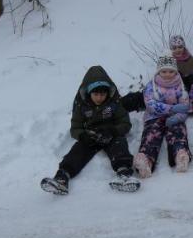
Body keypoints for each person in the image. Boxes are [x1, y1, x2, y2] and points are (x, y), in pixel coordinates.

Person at [40, 65, 140, 195]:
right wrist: (82, 136)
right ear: (89, 92)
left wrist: (113, 131)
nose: (99, 97)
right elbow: (75, 128)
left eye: (102, 94)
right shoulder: (82, 106)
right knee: (77, 151)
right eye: (96, 94)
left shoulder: (114, 104)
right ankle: (62, 178)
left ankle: (124, 174)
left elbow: (125, 123)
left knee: (119, 145)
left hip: (110, 134)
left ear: (108, 93)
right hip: (90, 137)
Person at [132, 54, 193, 178]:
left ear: (175, 71)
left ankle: (180, 154)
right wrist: (171, 108)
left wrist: (179, 116)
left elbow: (185, 104)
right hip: (154, 116)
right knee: (151, 134)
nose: (167, 74)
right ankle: (145, 159)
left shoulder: (180, 85)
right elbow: (150, 103)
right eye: (164, 71)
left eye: (171, 71)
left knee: (178, 132)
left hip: (174, 117)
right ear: (159, 71)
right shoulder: (152, 85)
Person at [119, 35, 193, 112]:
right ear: (171, 49)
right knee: (137, 97)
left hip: (177, 92)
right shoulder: (167, 58)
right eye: (174, 48)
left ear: (184, 47)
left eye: (180, 47)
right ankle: (117, 107)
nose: (177, 50)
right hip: (162, 87)